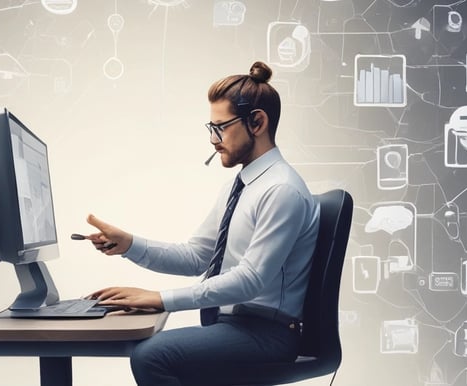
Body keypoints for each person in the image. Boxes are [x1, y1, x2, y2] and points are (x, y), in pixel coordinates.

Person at [85, 61, 320, 386]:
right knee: (152, 351)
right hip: (236, 326)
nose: (212, 139)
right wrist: (129, 245)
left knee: (151, 356)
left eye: (221, 127)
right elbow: (198, 257)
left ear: (257, 122)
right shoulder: (241, 186)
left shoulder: (281, 190)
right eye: (211, 127)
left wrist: (161, 298)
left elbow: (250, 280)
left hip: (268, 334)